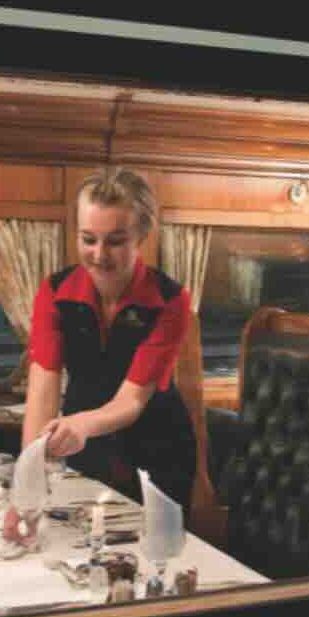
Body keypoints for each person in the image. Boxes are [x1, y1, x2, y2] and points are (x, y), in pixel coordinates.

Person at [22, 167, 197, 511]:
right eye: (88, 239)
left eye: (115, 241)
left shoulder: (170, 300)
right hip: (83, 448)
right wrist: (27, 482)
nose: (100, 255)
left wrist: (81, 424)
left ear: (142, 235)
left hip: (157, 453)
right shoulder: (54, 292)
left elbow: (132, 401)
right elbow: (42, 391)